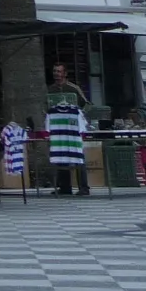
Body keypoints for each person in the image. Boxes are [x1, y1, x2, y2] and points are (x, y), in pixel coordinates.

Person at [47, 61, 90, 196]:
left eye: (59, 71)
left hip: (73, 129)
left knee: (78, 156)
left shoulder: (73, 89)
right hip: (58, 129)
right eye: (55, 71)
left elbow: (87, 105)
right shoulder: (51, 90)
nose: (56, 74)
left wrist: (80, 117)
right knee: (61, 155)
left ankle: (84, 187)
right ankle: (65, 187)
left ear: (65, 74)